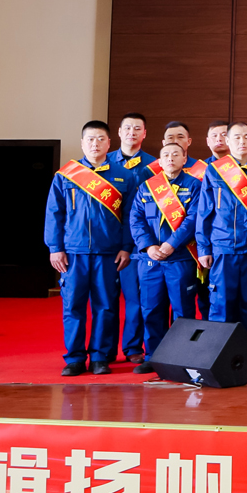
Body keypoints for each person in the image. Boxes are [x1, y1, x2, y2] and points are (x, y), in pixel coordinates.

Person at [44, 120, 139, 375]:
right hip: (73, 253)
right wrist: (55, 248)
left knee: (106, 306)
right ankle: (74, 358)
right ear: (82, 143)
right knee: (72, 306)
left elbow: (131, 216)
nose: (95, 144)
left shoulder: (124, 176)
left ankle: (100, 356)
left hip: (109, 253)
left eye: (100, 139)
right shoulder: (66, 175)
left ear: (109, 143)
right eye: (90, 139)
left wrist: (127, 247)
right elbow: (54, 214)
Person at [194, 121, 247, 361]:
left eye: (246, 136)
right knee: (221, 305)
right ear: (228, 141)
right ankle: (217, 357)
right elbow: (204, 212)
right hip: (222, 249)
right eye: (237, 137)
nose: (242, 141)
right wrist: (203, 247)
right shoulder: (215, 170)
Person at [131, 137, 202, 345]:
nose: (171, 158)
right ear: (160, 162)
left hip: (180, 257)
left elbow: (193, 219)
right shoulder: (147, 187)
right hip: (150, 259)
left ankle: (181, 355)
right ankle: (153, 354)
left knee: (183, 310)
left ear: (184, 159)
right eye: (166, 155)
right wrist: (148, 246)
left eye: (176, 154)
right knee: (151, 309)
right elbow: (136, 219)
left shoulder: (195, 185)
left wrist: (172, 244)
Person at [109, 112, 158, 363]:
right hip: (105, 243)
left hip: (137, 245)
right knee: (105, 301)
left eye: (137, 128)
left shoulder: (154, 166)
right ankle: (104, 351)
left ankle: (132, 347)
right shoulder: (103, 163)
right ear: (119, 132)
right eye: (127, 128)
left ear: (144, 133)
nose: (132, 132)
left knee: (136, 299)